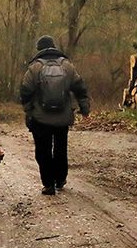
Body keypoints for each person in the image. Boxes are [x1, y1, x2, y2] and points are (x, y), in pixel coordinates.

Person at [19, 35, 90, 196]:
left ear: (39, 49)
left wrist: (29, 111)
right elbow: (80, 88)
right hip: (62, 117)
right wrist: (84, 109)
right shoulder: (67, 66)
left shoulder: (35, 67)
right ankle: (60, 179)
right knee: (60, 148)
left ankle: (48, 184)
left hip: (40, 118)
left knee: (43, 150)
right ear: (54, 46)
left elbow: (25, 92)